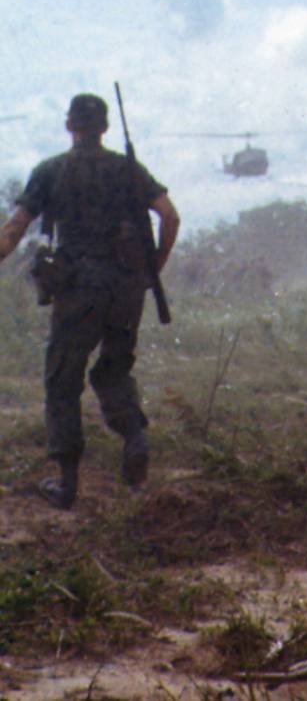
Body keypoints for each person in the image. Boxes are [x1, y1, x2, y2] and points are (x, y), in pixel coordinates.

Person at [0, 93, 180, 510]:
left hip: (79, 290)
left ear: (69, 126)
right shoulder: (127, 169)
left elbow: (15, 228)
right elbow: (170, 216)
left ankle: (66, 483)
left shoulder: (50, 171)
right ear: (104, 129)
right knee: (114, 370)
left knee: (62, 380)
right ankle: (134, 437)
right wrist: (153, 270)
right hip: (125, 291)